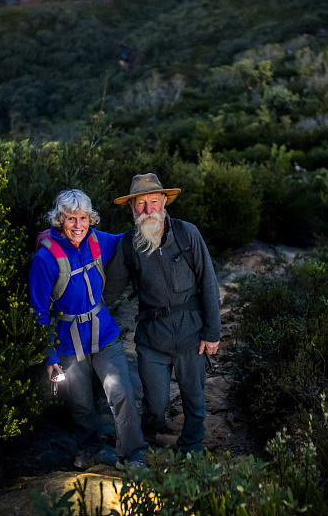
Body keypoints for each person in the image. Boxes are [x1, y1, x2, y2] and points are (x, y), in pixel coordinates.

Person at [29, 189, 147, 470]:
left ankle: (133, 456)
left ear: (90, 218)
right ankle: (90, 449)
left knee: (121, 393)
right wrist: (50, 356)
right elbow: (38, 311)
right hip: (68, 341)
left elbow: (123, 241)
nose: (78, 225)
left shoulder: (98, 240)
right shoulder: (44, 260)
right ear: (59, 219)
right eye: (71, 218)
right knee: (80, 403)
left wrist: (150, 221)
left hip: (104, 332)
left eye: (83, 217)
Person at [105, 173, 221, 454]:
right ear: (132, 208)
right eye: (140, 204)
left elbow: (208, 281)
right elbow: (108, 293)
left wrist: (212, 333)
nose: (147, 210)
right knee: (155, 403)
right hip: (152, 338)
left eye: (153, 202)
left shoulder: (187, 233)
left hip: (191, 333)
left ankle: (191, 447)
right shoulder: (129, 245)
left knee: (194, 398)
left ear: (164, 201)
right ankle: (150, 435)